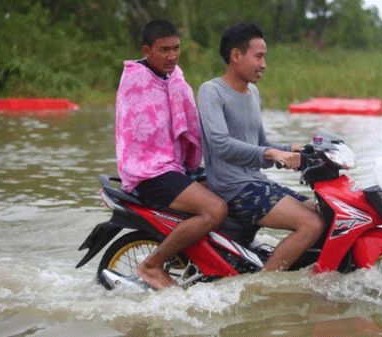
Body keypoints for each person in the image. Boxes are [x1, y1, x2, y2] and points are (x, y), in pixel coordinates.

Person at [197, 22, 324, 271]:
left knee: (322, 214)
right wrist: (270, 153)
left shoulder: (253, 93)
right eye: (259, 56)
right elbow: (220, 144)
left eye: (264, 57)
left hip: (256, 182)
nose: (264, 64)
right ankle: (265, 286)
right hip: (232, 188)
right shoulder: (211, 91)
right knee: (311, 224)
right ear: (236, 55)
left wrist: (293, 148)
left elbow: (261, 145)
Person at [115, 19, 227, 289]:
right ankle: (151, 265)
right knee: (215, 210)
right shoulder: (136, 80)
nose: (172, 56)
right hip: (148, 171)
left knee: (228, 184)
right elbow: (142, 135)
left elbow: (188, 120)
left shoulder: (174, 76)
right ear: (147, 50)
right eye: (164, 50)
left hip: (172, 166)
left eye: (176, 48)